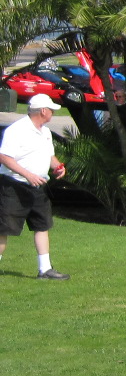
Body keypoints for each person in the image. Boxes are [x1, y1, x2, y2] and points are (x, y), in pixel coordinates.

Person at [0, 94, 69, 279]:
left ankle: (45, 269)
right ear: (43, 111)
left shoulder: (45, 132)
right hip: (15, 186)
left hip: (38, 186)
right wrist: (28, 175)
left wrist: (58, 166)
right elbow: (5, 157)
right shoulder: (17, 130)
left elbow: (49, 156)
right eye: (51, 110)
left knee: (42, 225)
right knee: (4, 228)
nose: (53, 113)